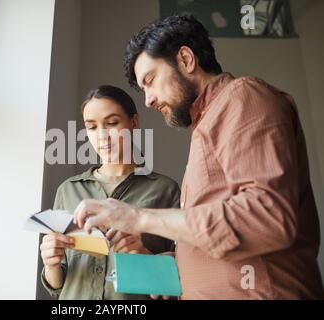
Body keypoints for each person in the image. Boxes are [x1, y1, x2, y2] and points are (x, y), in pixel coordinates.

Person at [73, 14, 324, 299]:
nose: (149, 99)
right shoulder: (206, 125)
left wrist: (138, 218)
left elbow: (267, 218)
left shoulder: (243, 98)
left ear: (186, 59)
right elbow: (220, 238)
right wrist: (176, 266)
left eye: (151, 80)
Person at [40, 85, 181, 299]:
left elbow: (176, 282)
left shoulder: (165, 190)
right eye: (92, 127)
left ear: (133, 123)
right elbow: (57, 286)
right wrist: (51, 264)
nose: (102, 136)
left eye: (112, 123)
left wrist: (143, 255)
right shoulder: (67, 190)